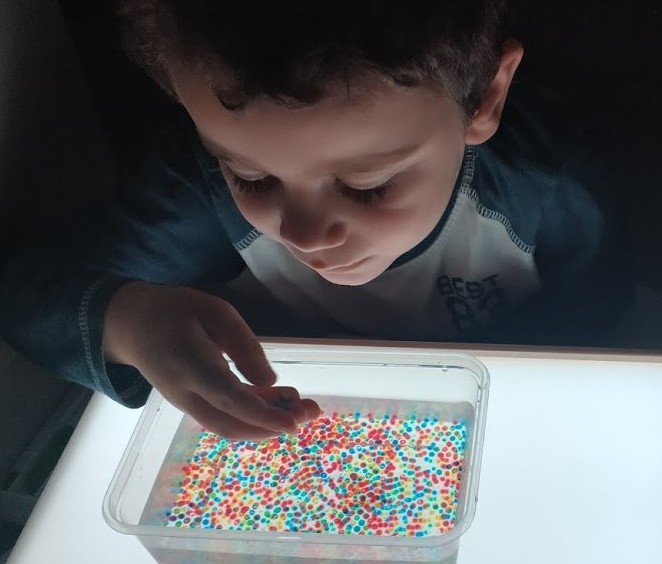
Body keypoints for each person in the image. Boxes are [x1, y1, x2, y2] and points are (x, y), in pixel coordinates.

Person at [0, 0, 631, 440]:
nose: (304, 235)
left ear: (485, 98)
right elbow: (27, 293)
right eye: (250, 177)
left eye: (367, 187)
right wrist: (126, 322)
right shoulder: (194, 188)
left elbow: (595, 326)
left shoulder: (547, 188)